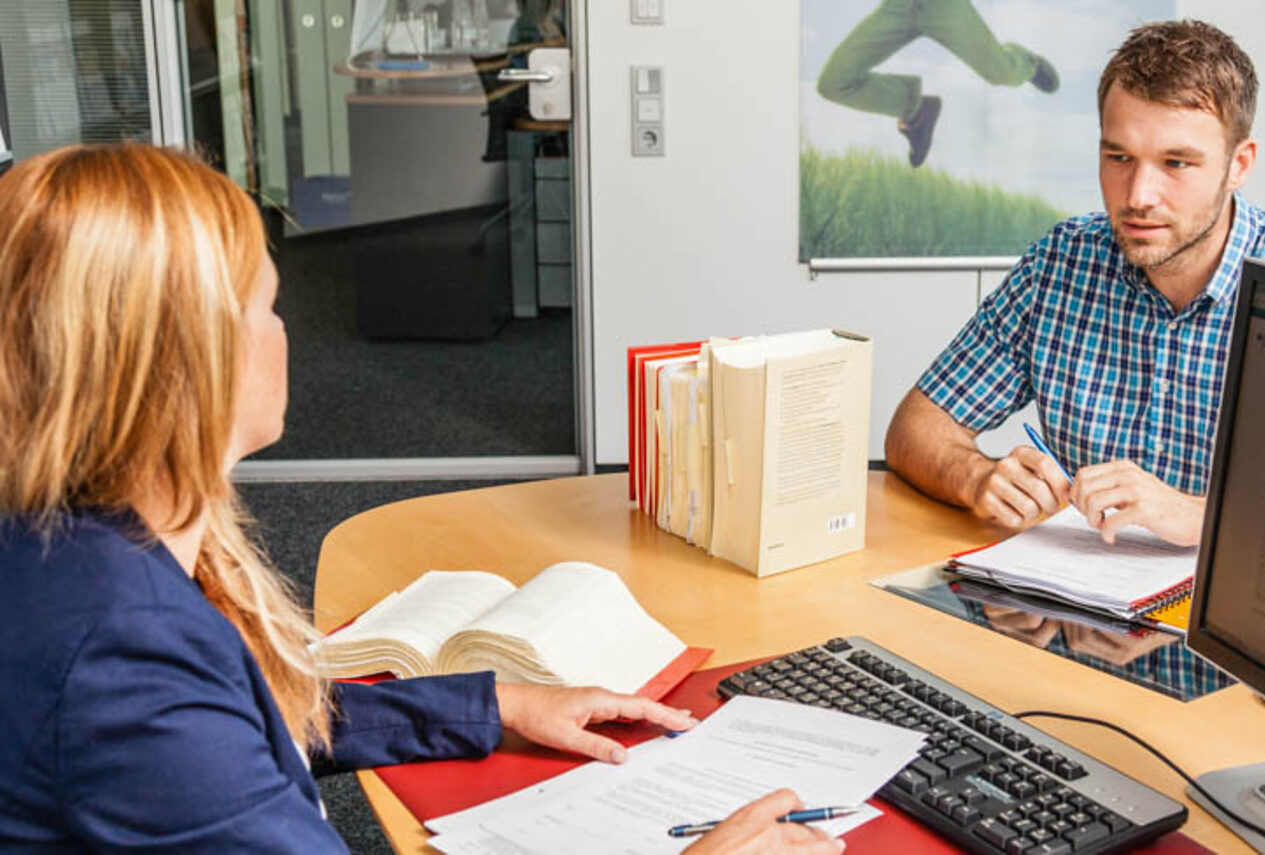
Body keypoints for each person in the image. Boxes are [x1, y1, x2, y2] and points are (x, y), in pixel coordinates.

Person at [0, 144, 841, 855]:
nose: (287, 331)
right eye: (268, 304)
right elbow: (187, 717)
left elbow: (239, 719)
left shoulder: (66, 540)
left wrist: (494, 703)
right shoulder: (122, 654)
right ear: (185, 358)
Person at [884, 19, 1265, 547]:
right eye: (1119, 157)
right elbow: (915, 428)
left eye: (1176, 163)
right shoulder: (1062, 262)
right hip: (1074, 608)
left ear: (1239, 164)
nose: (1139, 194)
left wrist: (1202, 516)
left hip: (1244, 619)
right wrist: (976, 477)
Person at [816, 0, 1059, 167]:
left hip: (944, 7)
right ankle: (916, 108)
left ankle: (1028, 63)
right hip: (898, 8)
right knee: (833, 83)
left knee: (1001, 74)